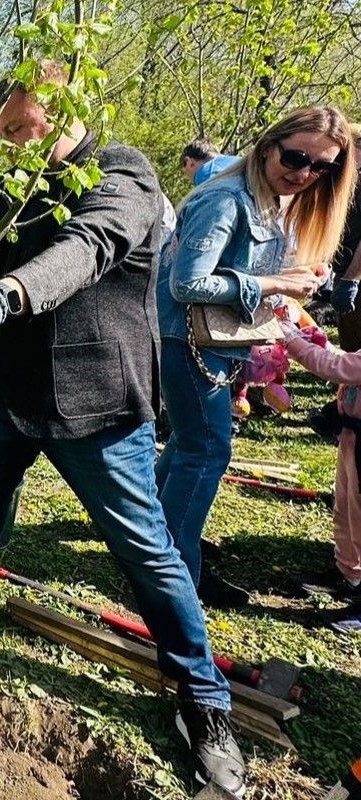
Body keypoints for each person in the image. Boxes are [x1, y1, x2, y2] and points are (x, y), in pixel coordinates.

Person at [0, 62, 246, 795]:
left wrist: (7, 293)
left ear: (73, 114)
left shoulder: (123, 173)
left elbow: (86, 247)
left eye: (39, 128)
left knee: (145, 550)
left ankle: (202, 696)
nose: (29, 142)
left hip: (94, 405)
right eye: (12, 130)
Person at [157, 107, 354, 612]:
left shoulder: (273, 199)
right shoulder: (227, 198)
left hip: (218, 345)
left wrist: (294, 275)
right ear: (270, 147)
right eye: (296, 157)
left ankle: (153, 544)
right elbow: (187, 283)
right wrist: (276, 283)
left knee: (188, 446)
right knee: (207, 451)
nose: (305, 172)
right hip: (189, 343)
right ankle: (172, 573)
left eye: (322, 168)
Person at [277, 317, 361, 627]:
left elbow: (334, 367)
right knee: (345, 508)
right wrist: (318, 342)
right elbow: (344, 361)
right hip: (351, 441)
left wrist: (291, 339)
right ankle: (348, 572)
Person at [328, 125, 361, 351]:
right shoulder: (349, 182)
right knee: (350, 346)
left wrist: (351, 279)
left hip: (356, 276)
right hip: (345, 271)